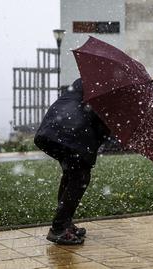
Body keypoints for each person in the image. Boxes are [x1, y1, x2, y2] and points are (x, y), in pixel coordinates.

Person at [34, 78, 110, 245]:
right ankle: (59, 228)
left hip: (55, 128)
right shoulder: (106, 91)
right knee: (80, 177)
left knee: (71, 173)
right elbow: (99, 126)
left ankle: (64, 223)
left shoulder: (90, 80)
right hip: (70, 132)